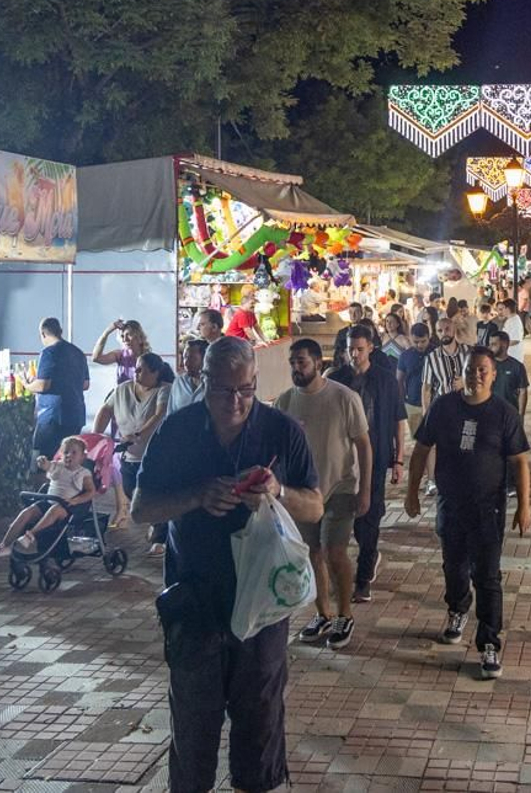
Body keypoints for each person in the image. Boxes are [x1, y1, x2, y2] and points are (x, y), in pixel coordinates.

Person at [131, 337, 323, 793]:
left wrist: (278, 492)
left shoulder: (281, 431)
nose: (236, 402)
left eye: (246, 390)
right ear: (203, 383)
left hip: (263, 606)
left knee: (260, 735)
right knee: (193, 735)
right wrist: (197, 496)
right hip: (194, 602)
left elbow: (316, 506)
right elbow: (141, 509)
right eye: (223, 391)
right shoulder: (177, 431)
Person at [403, 346, 531, 680]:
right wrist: (412, 492)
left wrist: (524, 507)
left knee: (487, 576)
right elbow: (421, 450)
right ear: (462, 371)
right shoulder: (444, 407)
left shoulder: (504, 413)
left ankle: (489, 642)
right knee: (454, 566)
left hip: (488, 507)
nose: (477, 375)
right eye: (471, 369)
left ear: (492, 374)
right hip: (451, 503)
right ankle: (457, 609)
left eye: (483, 370)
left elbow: (519, 461)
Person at [274, 340, 370, 648]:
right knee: (311, 552)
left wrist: (365, 489)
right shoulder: (286, 402)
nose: (296, 368)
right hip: (302, 492)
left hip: (340, 486)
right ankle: (322, 612)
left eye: (301, 362)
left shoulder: (343, 397)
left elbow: (364, 445)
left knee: (334, 551)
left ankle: (345, 612)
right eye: (292, 363)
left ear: (317, 362)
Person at [327, 325, 408, 604]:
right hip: (341, 462)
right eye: (351, 349)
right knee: (341, 518)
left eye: (360, 349)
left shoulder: (385, 380)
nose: (355, 354)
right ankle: (351, 568)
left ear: (371, 347)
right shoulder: (336, 380)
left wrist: (398, 459)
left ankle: (362, 579)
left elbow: (399, 420)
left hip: (375, 458)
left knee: (369, 517)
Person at [95, 351, 174, 545]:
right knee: (132, 491)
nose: (136, 373)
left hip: (155, 456)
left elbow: (159, 414)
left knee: (154, 493)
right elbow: (105, 410)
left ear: (155, 373)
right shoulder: (122, 389)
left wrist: (139, 434)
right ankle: (157, 522)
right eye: (136, 369)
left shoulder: (165, 390)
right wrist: (97, 437)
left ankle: (160, 531)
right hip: (129, 456)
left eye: (141, 370)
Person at [0, 436, 95, 557]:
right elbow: (48, 466)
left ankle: (30, 535)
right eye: (66, 452)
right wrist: (43, 462)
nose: (69, 455)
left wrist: (76, 501)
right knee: (27, 512)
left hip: (68, 508)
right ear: (61, 454)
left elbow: (90, 492)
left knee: (55, 510)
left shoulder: (83, 473)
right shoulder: (57, 466)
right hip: (49, 502)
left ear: (82, 457)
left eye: (74, 452)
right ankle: (4, 546)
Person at [29, 317, 89, 461]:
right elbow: (85, 384)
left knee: (44, 460)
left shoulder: (49, 352)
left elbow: (43, 385)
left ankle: (45, 483)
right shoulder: (78, 353)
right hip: (76, 415)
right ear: (60, 331)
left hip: (53, 416)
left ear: (43, 334)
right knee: (69, 462)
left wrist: (27, 385)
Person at [396, 322, 432, 434]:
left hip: (434, 403)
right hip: (412, 403)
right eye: (416, 342)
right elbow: (399, 380)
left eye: (423, 341)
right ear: (410, 338)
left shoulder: (437, 353)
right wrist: (401, 401)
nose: (420, 345)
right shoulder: (405, 356)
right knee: (416, 438)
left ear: (429, 337)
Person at [488, 331, 529, 418]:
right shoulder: (486, 366)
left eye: (494, 344)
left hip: (510, 414)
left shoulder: (517, 366)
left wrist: (521, 415)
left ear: (504, 345)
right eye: (490, 344)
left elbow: (523, 391)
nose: (490, 347)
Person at [169, 339, 209, 415]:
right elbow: (170, 412)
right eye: (185, 357)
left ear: (205, 359)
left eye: (191, 358)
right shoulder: (179, 382)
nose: (186, 363)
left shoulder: (214, 385)